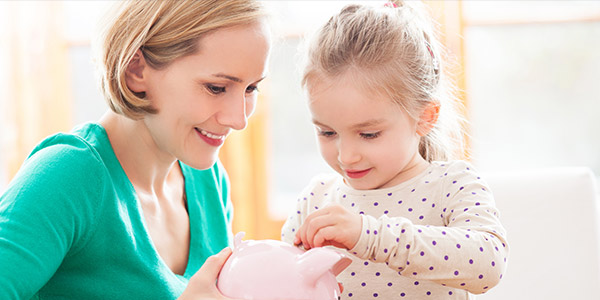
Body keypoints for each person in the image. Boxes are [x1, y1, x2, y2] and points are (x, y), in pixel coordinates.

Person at [0, 0, 270, 299]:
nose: (239, 119)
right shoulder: (67, 176)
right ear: (136, 70)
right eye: (216, 88)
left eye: (250, 89)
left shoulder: (209, 181)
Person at [281, 1, 508, 299]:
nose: (346, 155)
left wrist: (370, 236)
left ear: (425, 117)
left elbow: (488, 265)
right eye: (327, 132)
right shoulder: (317, 199)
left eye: (369, 134)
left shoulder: (451, 184)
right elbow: (282, 283)